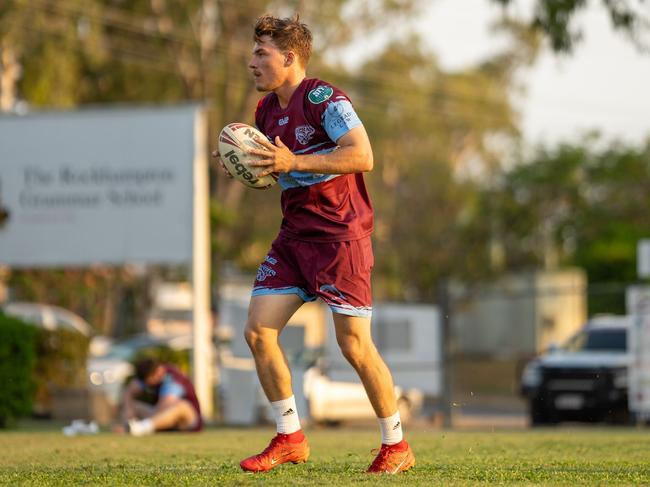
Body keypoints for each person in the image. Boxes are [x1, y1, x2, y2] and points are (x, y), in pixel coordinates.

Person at [213, 14, 414, 474]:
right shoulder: (265, 112)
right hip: (294, 238)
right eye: (253, 52)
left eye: (261, 53)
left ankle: (396, 445)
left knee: (354, 346)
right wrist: (244, 163)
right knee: (257, 331)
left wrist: (291, 159)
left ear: (289, 57)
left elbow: (363, 156)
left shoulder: (325, 99)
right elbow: (275, 168)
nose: (251, 62)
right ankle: (290, 437)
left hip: (341, 237)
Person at [116, 359, 202, 436]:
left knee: (181, 406)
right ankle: (127, 428)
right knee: (133, 406)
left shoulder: (172, 379)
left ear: (156, 374)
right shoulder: (151, 375)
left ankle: (140, 428)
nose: (148, 385)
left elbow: (165, 406)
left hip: (188, 423)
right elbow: (128, 391)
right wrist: (129, 413)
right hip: (161, 420)